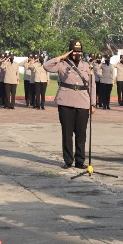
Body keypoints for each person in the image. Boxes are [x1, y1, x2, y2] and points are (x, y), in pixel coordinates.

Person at [44, 40, 96, 169]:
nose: (77, 54)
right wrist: (61, 57)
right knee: (67, 133)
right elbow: (46, 66)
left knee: (81, 134)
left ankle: (80, 161)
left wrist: (92, 103)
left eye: (79, 51)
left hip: (83, 101)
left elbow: (92, 85)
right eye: (74, 51)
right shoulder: (61, 64)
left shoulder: (87, 65)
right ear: (70, 51)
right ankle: (68, 160)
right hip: (66, 101)